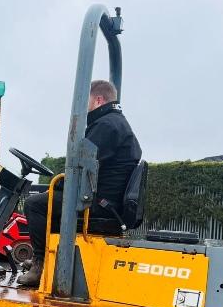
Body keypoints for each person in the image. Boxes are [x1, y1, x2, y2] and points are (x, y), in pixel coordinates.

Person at [17, 80, 142, 287]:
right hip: (105, 200)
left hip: (99, 204)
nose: (84, 107)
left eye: (86, 101)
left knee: (34, 205)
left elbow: (80, 168)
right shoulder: (115, 123)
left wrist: (57, 186)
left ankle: (41, 263)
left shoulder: (106, 126)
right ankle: (50, 256)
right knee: (49, 200)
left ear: (98, 100)